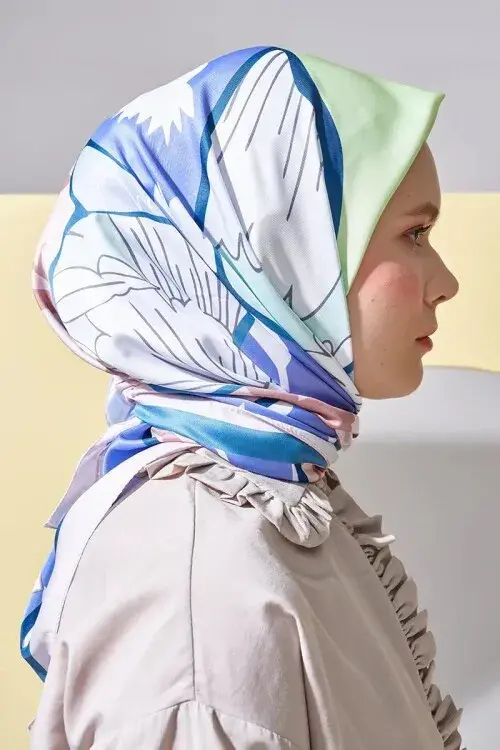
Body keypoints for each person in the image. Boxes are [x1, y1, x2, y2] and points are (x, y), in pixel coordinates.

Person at [22, 46, 463, 749]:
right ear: (275, 248)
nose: (447, 282)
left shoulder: (276, 503)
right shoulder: (198, 591)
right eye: (415, 233)